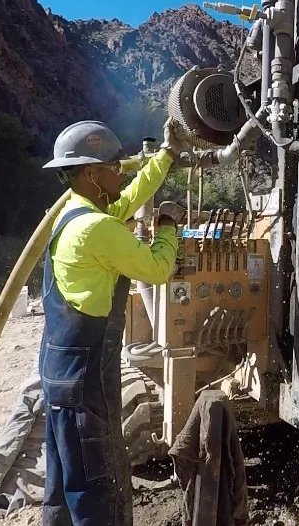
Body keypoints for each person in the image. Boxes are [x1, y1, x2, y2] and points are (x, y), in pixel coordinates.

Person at [38, 119, 195, 525]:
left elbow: (128, 197)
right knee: (98, 485)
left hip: (61, 373)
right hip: (87, 380)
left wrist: (168, 154)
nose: (121, 171)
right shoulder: (98, 228)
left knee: (64, 485)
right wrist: (167, 227)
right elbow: (158, 269)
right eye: (114, 166)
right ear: (91, 173)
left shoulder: (76, 213)